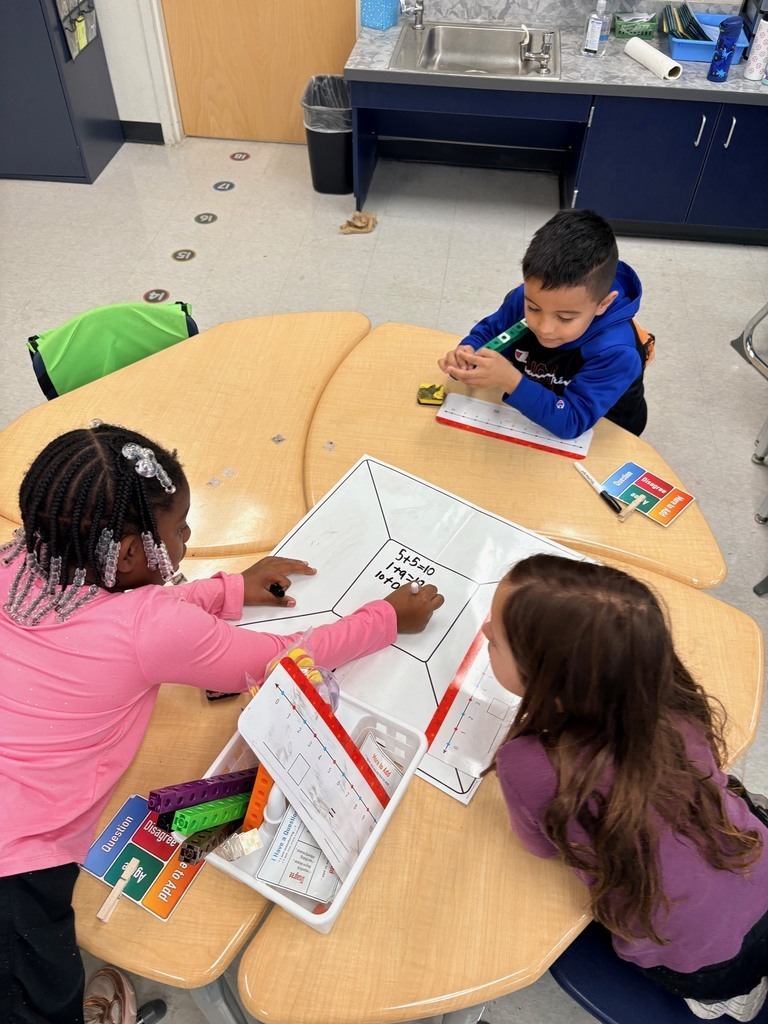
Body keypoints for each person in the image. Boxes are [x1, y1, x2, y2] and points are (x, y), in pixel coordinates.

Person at [0, 422, 444, 1024]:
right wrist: (387, 617)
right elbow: (284, 656)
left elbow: (125, 609)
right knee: (34, 1001)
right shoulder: (150, 626)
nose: (188, 537)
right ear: (129, 553)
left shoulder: (28, 557)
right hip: (17, 858)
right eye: (179, 528)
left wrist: (228, 590)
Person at [483, 554, 768, 1022]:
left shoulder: (527, 765)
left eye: (497, 641)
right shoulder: (675, 699)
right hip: (759, 865)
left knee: (706, 959)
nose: (484, 630)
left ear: (555, 687)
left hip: (708, 965)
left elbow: (539, 848)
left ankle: (729, 999)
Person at [438, 209, 649, 439]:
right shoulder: (523, 298)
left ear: (603, 304)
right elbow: (491, 333)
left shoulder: (616, 352)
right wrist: (468, 352)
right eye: (534, 308)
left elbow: (573, 421)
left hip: (603, 431)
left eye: (565, 318)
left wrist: (511, 381)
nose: (544, 327)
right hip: (538, 408)